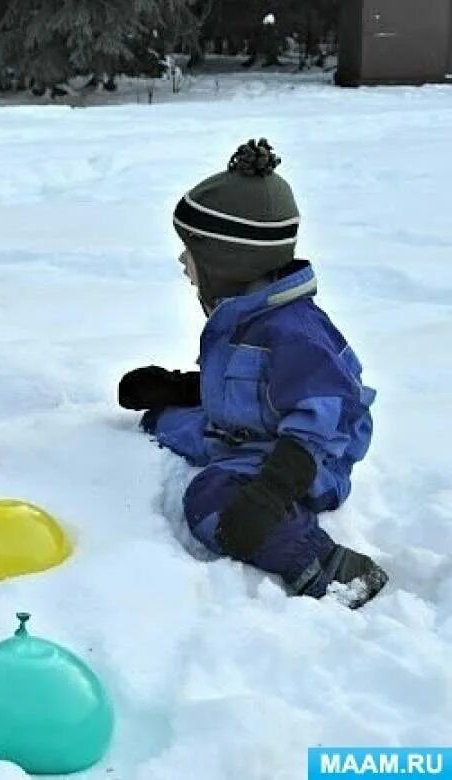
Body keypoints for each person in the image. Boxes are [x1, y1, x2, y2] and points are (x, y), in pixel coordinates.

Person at [117, 138, 388, 609]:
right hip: (253, 431)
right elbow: (246, 386)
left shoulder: (295, 332)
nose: (183, 262)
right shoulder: (245, 312)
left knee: (214, 502)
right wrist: (178, 389)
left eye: (191, 252)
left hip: (307, 458)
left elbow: (323, 418)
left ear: (228, 262)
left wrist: (272, 490)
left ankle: (329, 566)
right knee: (161, 423)